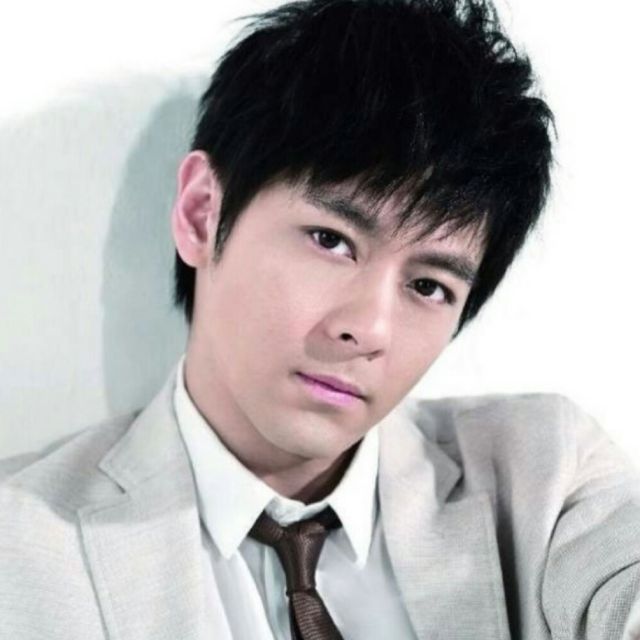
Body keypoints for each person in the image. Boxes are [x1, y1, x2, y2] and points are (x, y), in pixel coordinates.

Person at [1, 0, 639, 638]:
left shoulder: (545, 477)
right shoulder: (22, 543)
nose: (370, 329)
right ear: (201, 214)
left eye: (428, 285)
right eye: (331, 241)